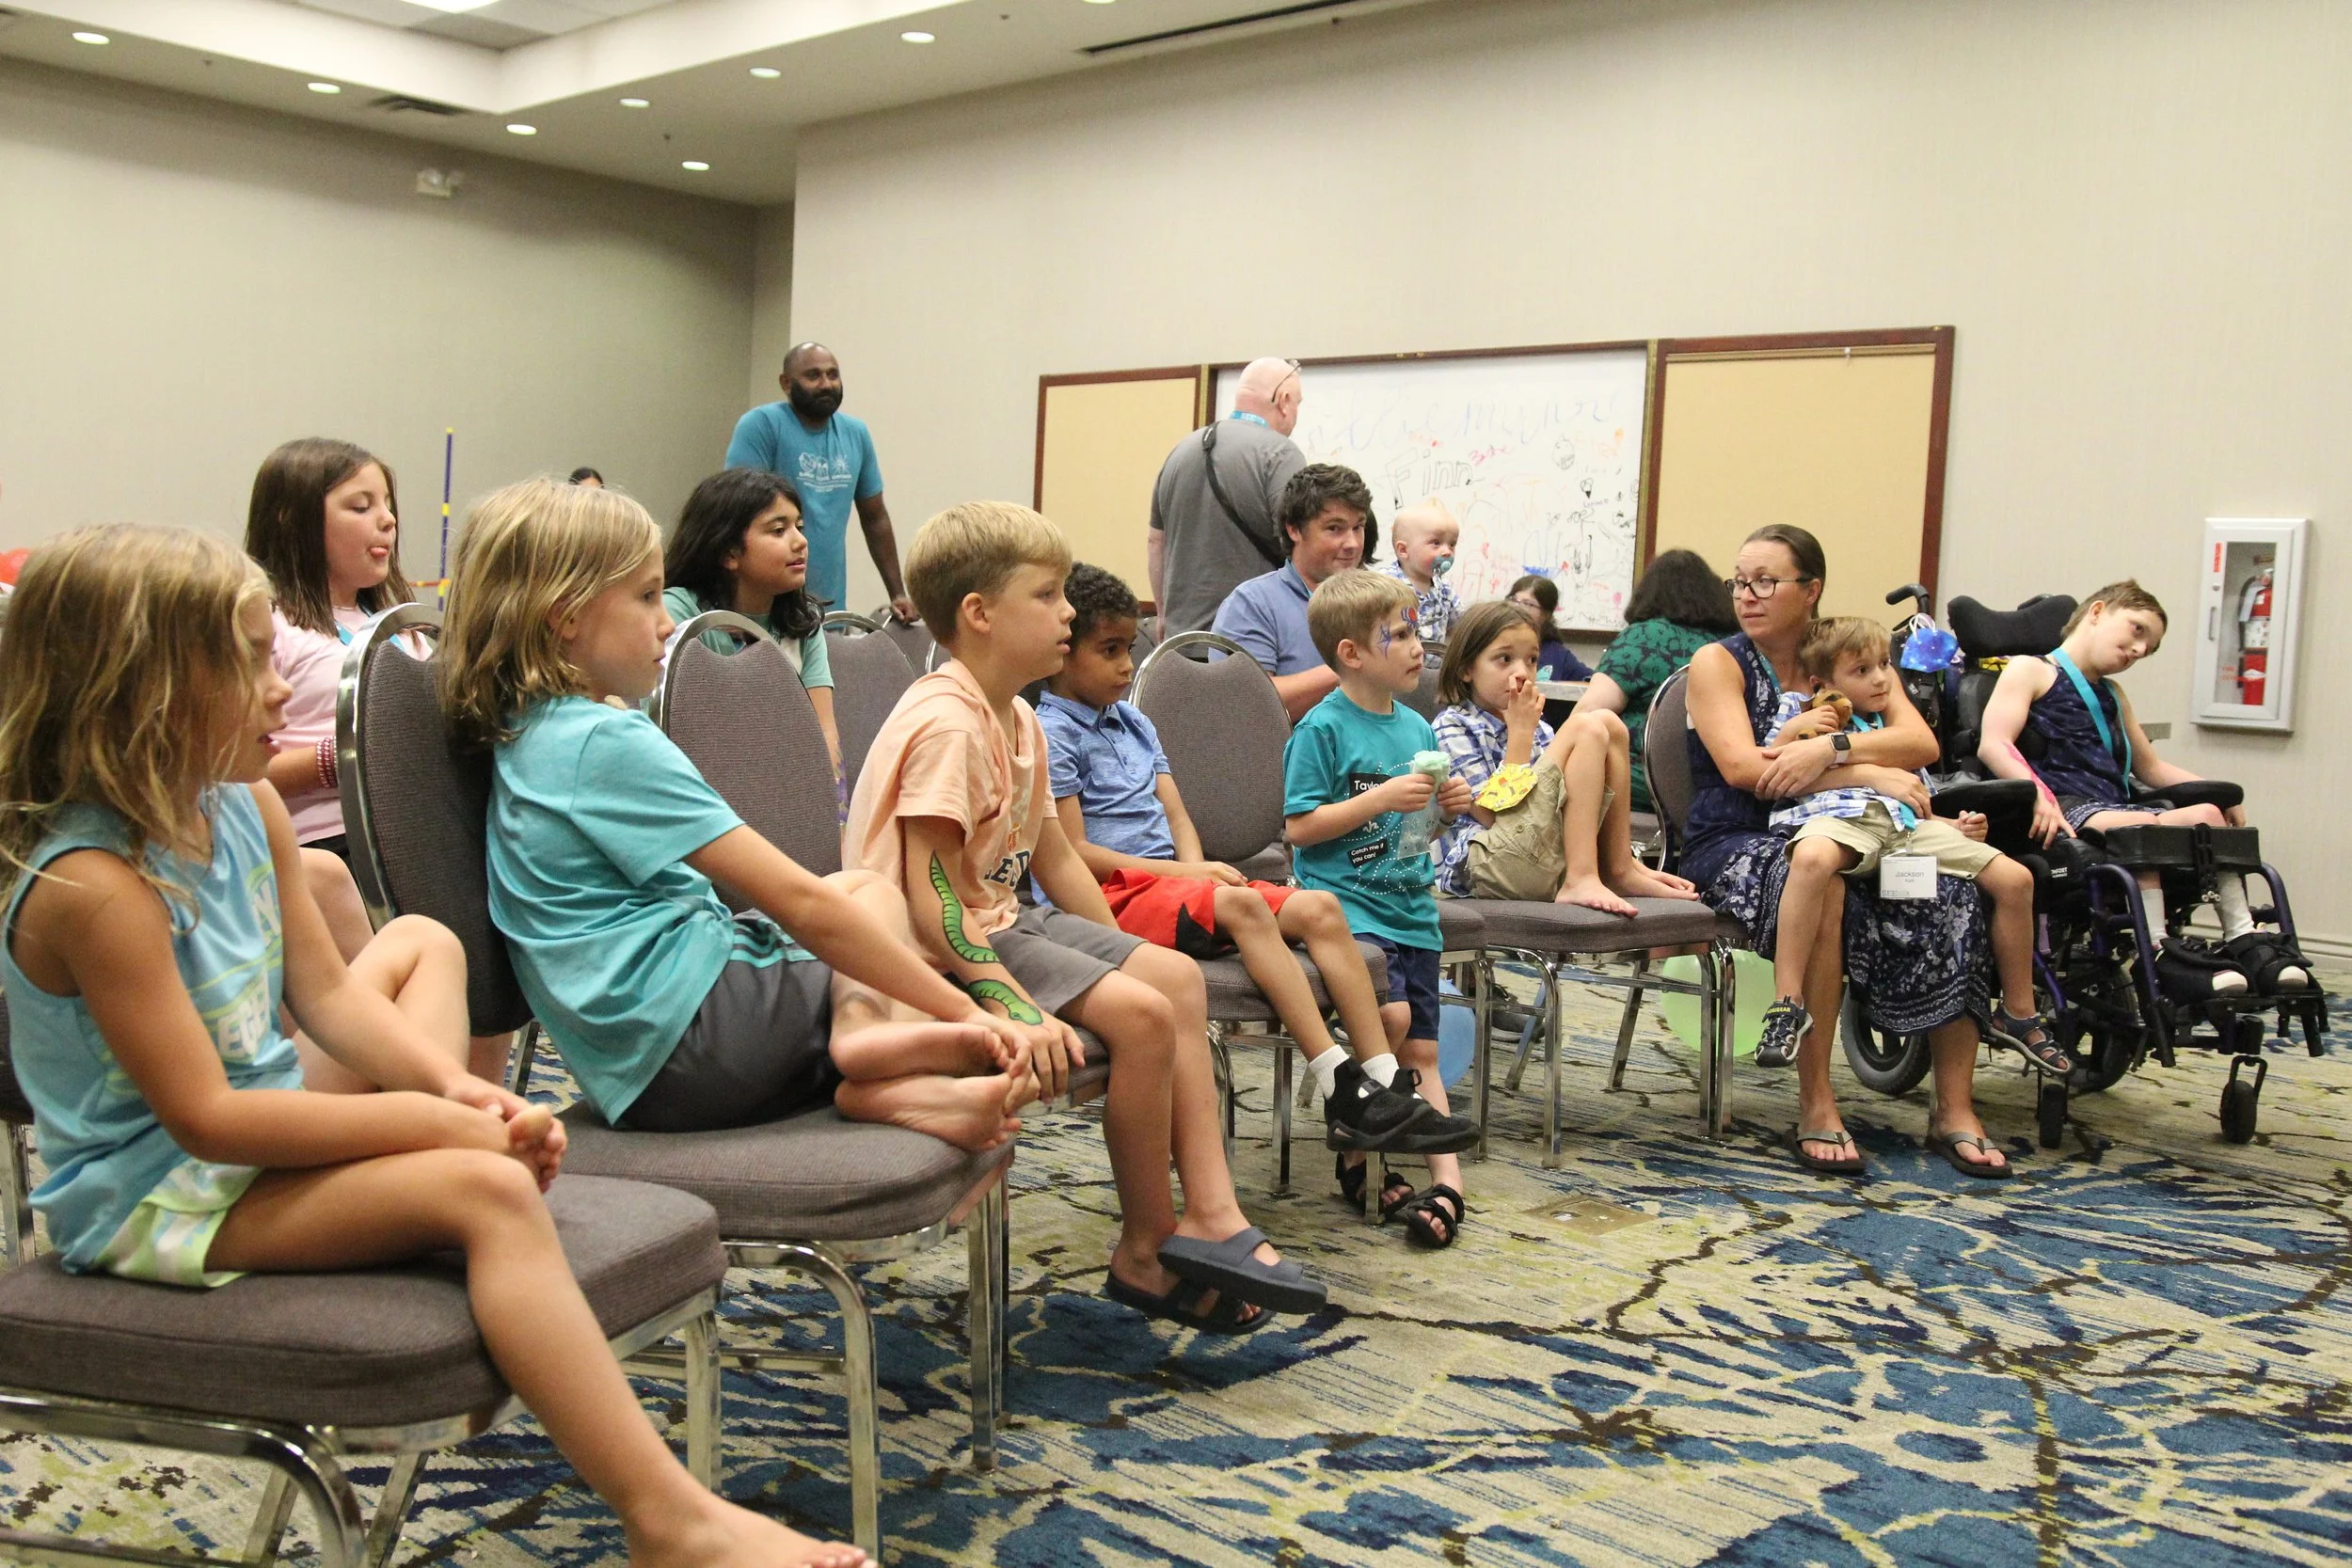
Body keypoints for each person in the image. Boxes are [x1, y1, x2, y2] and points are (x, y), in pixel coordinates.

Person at [0, 523, 869, 1568]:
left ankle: (450, 1136)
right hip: (154, 1199)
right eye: (245, 661)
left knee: (416, 940)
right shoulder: (94, 886)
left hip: (237, 1149)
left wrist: (460, 1090)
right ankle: (666, 1515)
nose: (283, 690)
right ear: (135, 689)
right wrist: (436, 1124)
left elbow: (326, 994)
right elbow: (208, 1118)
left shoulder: (243, 808)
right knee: (484, 1192)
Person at [847, 501, 1327, 1332]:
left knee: (1172, 977)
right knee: (1143, 1017)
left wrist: (1122, 947)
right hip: (936, 953)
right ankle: (1145, 1247)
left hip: (999, 921)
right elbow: (930, 901)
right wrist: (1009, 1002)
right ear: (980, 614)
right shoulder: (947, 724)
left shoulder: (1020, 717)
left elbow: (1056, 860)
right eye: (1049, 594)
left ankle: (1213, 1215)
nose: (1070, 611)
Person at [445, 479, 1037, 1148]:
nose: (668, 622)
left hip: (637, 1074)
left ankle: (878, 1063)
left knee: (865, 889)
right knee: (862, 912)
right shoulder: (602, 741)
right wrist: (968, 1007)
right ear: (565, 616)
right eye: (645, 597)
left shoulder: (529, 730)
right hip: (703, 1037)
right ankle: (875, 1051)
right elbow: (796, 901)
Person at [1040, 562, 1478, 1178]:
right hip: (1109, 896)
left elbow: (1176, 813)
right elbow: (1072, 855)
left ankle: (1382, 1088)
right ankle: (1336, 1079)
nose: (1123, 666)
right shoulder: (1050, 732)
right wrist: (1180, 878)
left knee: (1320, 909)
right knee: (1247, 906)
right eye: (1107, 651)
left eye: (1128, 650)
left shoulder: (1135, 721)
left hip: (1169, 885)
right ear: (1061, 654)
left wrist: (1191, 867)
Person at [1683, 525, 2009, 1180]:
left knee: (1951, 889)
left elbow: (1919, 746)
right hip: (1742, 838)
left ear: (1812, 590)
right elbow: (1751, 771)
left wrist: (1831, 751)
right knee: (1824, 879)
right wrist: (1867, 771)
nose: (1747, 595)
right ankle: (1816, 1100)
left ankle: (1954, 1107)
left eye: (1765, 581)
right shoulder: (1719, 662)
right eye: (1739, 581)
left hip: (1861, 833)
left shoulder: (1839, 653)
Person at [243, 437, 498, 1077]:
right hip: (329, 843)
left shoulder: (404, 624)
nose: (386, 520)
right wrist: (350, 757)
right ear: (290, 519)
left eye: (388, 504)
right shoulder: (271, 624)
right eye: (360, 505)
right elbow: (231, 766)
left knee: (492, 954)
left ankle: (466, 1102)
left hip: (423, 832)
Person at [1752, 617, 2067, 1075]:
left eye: (1883, 664)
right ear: (1824, 684)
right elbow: (1774, 770)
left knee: (2015, 879)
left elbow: (1912, 794)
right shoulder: (1798, 708)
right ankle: (1787, 1003)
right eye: (1862, 671)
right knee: (1813, 857)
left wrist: (1948, 824)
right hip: (1841, 820)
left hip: (1902, 831)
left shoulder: (1885, 726)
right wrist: (1799, 729)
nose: (1881, 678)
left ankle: (2017, 1012)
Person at [1975, 579, 2310, 996]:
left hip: (2114, 804)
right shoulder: (2032, 669)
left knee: (2209, 815)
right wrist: (2036, 793)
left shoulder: (2113, 694)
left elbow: (2150, 767)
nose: (2138, 651)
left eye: (2147, 649)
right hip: (2065, 804)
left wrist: (2222, 795)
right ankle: (2156, 949)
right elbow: (1995, 743)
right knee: (2145, 831)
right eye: (2137, 631)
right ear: (2097, 612)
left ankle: (2245, 941)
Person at [1282, 570, 1479, 1248]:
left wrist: (1444, 814)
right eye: (1395, 634)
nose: (1415, 646)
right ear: (1351, 653)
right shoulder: (1322, 730)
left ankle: (1448, 1182)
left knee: (1422, 1044)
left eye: (1414, 630)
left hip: (1410, 907)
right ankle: (1361, 1157)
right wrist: (1378, 797)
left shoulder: (1418, 725)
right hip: (1353, 911)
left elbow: (1412, 838)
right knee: (1390, 1018)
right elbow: (1301, 828)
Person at [1431, 600, 1698, 915]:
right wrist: (1519, 737)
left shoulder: (1540, 729)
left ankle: (1619, 868)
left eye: (1531, 661)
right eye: (1504, 659)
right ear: (1466, 669)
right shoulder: (1452, 726)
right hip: (1487, 865)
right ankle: (1581, 877)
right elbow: (1492, 818)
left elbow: (1566, 806)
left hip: (1543, 855)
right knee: (1586, 726)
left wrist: (1525, 731)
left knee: (1610, 725)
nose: (1521, 673)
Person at [663, 467, 842, 778]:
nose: (800, 541)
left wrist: (836, 817)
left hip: (783, 785)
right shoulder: (679, 614)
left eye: (799, 527)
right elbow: (681, 736)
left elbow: (824, 734)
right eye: (778, 531)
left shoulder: (802, 624)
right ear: (729, 553)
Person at [724, 342, 914, 623]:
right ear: (786, 383)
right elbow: (736, 513)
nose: (826, 384)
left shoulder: (856, 433)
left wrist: (898, 592)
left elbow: (875, 518)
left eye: (833, 375)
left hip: (828, 605)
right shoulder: (761, 425)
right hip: (767, 605)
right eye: (813, 376)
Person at [1571, 549, 1738, 813]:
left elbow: (1589, 711)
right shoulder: (1734, 644)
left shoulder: (1645, 637)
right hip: (1716, 788)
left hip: (1643, 784)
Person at [1149, 357, 1307, 636]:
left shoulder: (1180, 450)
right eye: (1297, 403)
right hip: (1252, 638)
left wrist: (1163, 615)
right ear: (1283, 401)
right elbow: (1303, 545)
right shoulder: (1281, 454)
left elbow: (1155, 541)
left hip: (1181, 640)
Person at [1213, 464, 1370, 721]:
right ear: (1294, 529)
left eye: (1358, 527)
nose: (1352, 544)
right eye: (1334, 528)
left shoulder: (1376, 601)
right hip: (1285, 757)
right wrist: (1355, 664)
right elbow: (1249, 703)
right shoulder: (1251, 604)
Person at [1379, 503, 1462, 656]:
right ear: (1403, 550)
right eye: (1436, 543)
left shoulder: (1444, 588)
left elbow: (1461, 622)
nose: (1447, 552)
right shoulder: (1384, 584)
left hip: (1434, 668)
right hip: (1397, 668)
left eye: (1452, 544)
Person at [1506, 575, 1594, 682]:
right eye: (1513, 600)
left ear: (1546, 614)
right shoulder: (1493, 642)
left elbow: (1594, 682)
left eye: (1527, 604)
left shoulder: (1557, 655)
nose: (1516, 608)